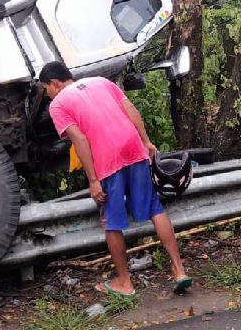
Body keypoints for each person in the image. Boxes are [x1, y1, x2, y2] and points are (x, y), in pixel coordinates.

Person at [39, 61, 192, 297]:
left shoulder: (58, 104)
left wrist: (93, 180)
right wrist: (146, 141)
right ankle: (179, 270)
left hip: (106, 159)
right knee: (154, 208)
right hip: (133, 148)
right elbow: (130, 109)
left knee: (112, 222)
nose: (47, 94)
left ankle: (124, 282)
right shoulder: (101, 82)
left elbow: (79, 140)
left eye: (45, 89)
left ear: (55, 83)